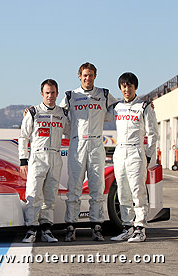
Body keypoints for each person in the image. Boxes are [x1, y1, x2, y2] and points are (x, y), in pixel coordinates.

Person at [59, 62, 117, 242]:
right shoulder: (71, 95)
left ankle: (97, 226)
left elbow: (119, 110)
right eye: (85, 75)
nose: (87, 78)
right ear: (79, 76)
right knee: (74, 188)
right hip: (77, 144)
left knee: (97, 188)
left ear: (95, 76)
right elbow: (58, 115)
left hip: (96, 144)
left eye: (91, 75)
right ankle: (71, 226)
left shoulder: (104, 94)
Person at [19, 79, 70, 243]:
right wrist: (23, 160)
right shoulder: (33, 112)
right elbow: (23, 137)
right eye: (47, 93)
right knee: (33, 193)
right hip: (37, 157)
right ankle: (31, 229)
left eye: (53, 92)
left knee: (50, 195)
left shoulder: (62, 113)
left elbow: (71, 131)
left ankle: (46, 229)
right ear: (42, 94)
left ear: (57, 93)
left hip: (55, 156)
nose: (50, 96)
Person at [109, 72, 158, 242]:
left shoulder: (144, 107)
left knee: (138, 191)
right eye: (123, 86)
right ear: (120, 88)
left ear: (135, 87)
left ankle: (140, 228)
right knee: (123, 192)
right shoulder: (116, 107)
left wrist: (148, 155)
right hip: (120, 152)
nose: (126, 89)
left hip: (137, 152)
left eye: (129, 85)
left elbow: (153, 134)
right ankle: (127, 227)